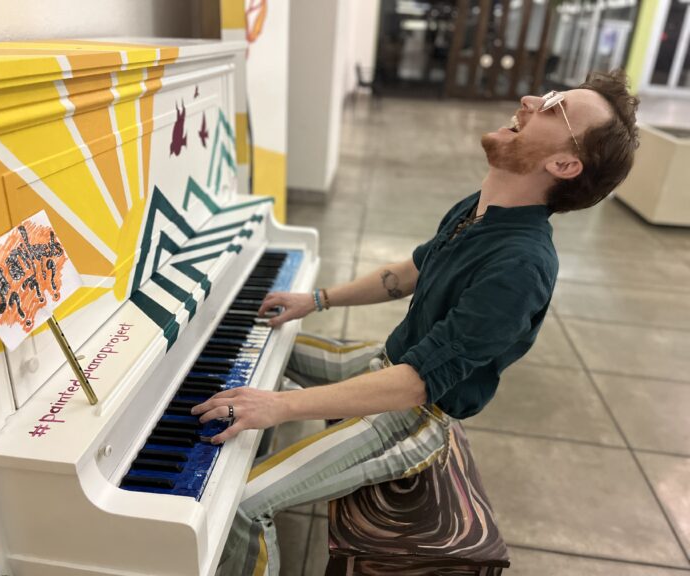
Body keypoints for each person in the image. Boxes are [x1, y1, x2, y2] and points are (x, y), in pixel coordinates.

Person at [194, 69, 640, 575]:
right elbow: (410, 271)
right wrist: (315, 299)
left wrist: (278, 406)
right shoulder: (481, 208)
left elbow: (416, 384)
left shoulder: (521, 267)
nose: (530, 98)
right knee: (259, 344)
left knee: (238, 505)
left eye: (554, 107)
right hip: (388, 364)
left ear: (563, 163)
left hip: (414, 417)